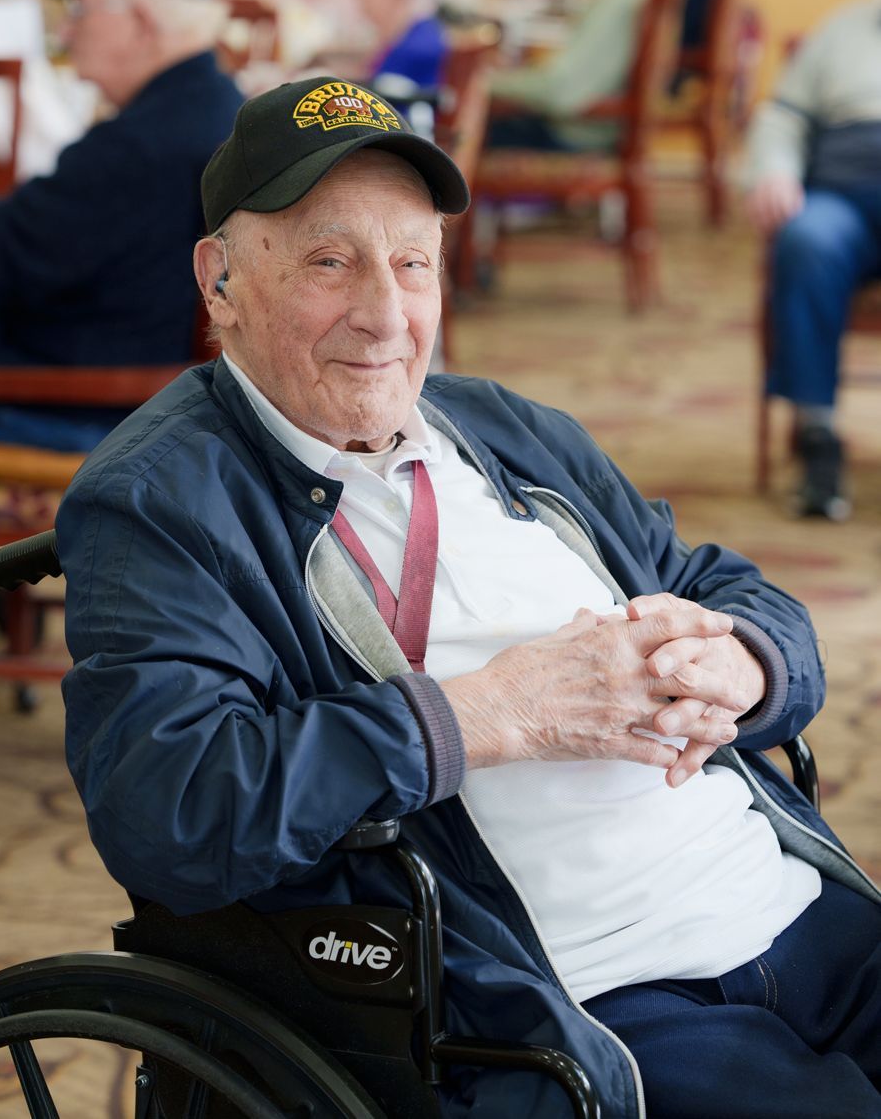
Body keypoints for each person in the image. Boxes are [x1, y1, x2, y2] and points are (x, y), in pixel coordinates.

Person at [57, 75, 881, 1119]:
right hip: (588, 1003)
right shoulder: (163, 502)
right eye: (328, 262)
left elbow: (727, 587)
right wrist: (493, 713)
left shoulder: (502, 428)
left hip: (799, 908)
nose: (384, 314)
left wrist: (741, 661)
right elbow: (172, 805)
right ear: (220, 279)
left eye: (413, 264)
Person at [0, 0, 242, 451]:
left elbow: (0, 254)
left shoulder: (140, 145)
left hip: (90, 407)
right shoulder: (215, 105)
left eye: (78, 9)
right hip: (153, 392)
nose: (65, 33)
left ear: (140, 20)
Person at [745, 0, 881, 520]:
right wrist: (776, 171)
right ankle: (818, 435)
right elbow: (782, 116)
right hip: (838, 195)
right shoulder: (840, 30)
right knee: (805, 240)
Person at [485, 0, 647, 152]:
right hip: (584, 123)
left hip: (578, 134)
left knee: (455, 135)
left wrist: (486, 82)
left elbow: (558, 88)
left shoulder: (616, 0)